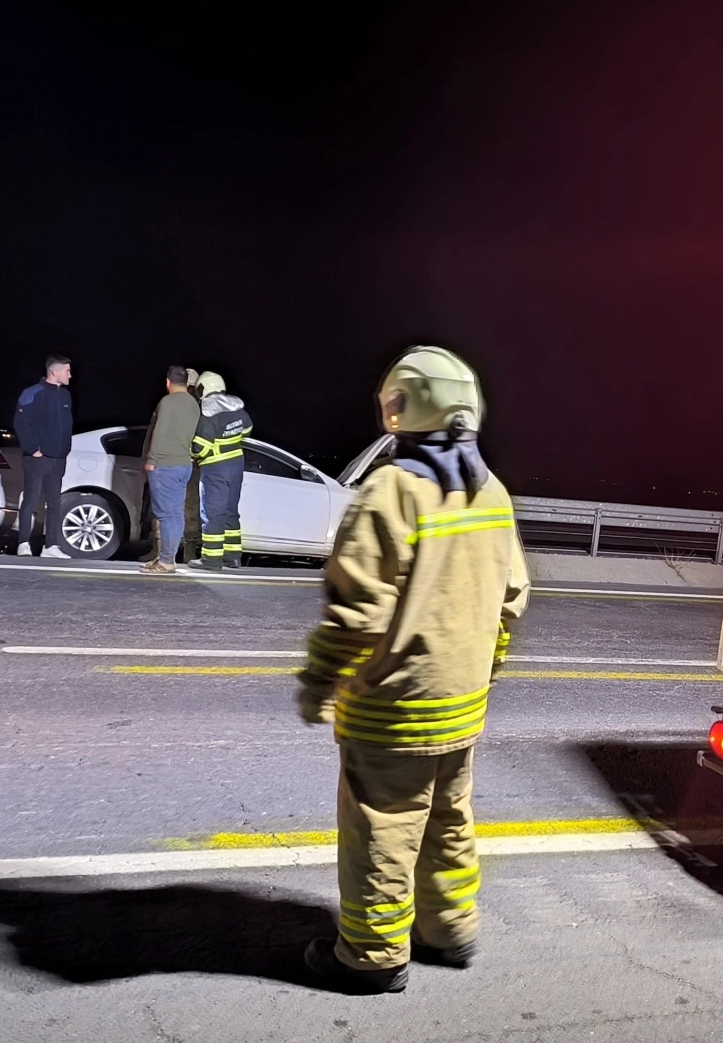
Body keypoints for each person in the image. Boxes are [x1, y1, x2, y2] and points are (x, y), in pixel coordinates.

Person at [295, 346, 530, 995]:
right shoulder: (492, 491)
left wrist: (319, 683)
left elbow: (357, 612)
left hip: (392, 708)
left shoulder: (392, 491)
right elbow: (511, 597)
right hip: (462, 704)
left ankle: (371, 957)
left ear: (403, 407)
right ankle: (449, 931)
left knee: (383, 830)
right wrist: (486, 669)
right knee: (449, 822)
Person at [140, 365, 201, 573]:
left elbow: (160, 431)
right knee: (175, 514)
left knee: (165, 515)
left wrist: (151, 459)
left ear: (168, 382)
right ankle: (167, 558)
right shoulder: (194, 404)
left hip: (165, 464)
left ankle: (166, 560)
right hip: (184, 464)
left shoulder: (167, 402)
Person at [190, 371, 253, 570]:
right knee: (230, 512)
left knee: (212, 513)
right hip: (236, 466)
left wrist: (190, 453)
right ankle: (232, 557)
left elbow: (201, 447)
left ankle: (211, 559)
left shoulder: (208, 412)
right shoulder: (237, 407)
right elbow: (247, 430)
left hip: (215, 468)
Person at [12, 354, 74, 559]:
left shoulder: (65, 396)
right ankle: (23, 544)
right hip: (37, 458)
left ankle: (51, 546)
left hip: (58, 458)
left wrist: (65, 450)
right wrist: (33, 449)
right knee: (30, 499)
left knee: (55, 502)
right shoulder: (32, 393)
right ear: (54, 372)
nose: (70, 375)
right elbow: (20, 423)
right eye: (67, 371)